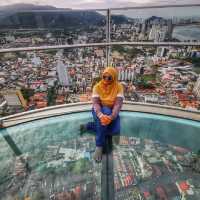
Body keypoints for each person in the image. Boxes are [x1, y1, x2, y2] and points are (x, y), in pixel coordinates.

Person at [80, 67, 124, 162]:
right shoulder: (97, 87)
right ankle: (99, 146)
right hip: (98, 111)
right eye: (104, 77)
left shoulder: (119, 87)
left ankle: (88, 126)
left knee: (115, 130)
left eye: (109, 78)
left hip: (112, 112)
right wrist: (101, 115)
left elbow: (118, 104)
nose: (106, 80)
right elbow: (95, 103)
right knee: (105, 114)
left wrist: (112, 116)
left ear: (114, 77)